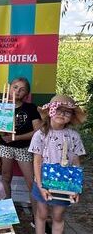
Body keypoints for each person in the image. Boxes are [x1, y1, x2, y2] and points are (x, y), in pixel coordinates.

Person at [29, 95, 86, 234]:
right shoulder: (40, 134)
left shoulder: (74, 136)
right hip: (42, 180)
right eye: (58, 110)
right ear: (50, 111)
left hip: (64, 182)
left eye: (67, 112)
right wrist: (40, 185)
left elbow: (76, 162)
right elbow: (36, 160)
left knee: (58, 216)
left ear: (72, 116)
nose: (62, 114)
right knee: (41, 214)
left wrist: (76, 188)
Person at [0, 77, 41, 218]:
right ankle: (7, 214)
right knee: (5, 178)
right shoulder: (1, 106)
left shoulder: (31, 108)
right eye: (15, 87)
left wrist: (16, 138)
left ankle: (37, 215)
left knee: (31, 181)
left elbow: (37, 132)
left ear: (26, 94)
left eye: (22, 90)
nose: (17, 91)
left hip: (24, 148)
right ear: (9, 89)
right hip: (5, 147)